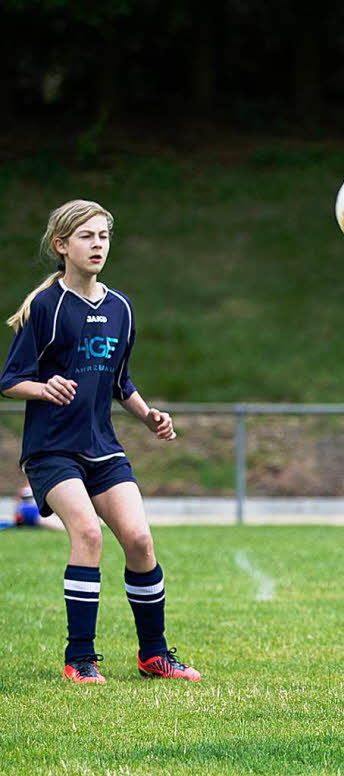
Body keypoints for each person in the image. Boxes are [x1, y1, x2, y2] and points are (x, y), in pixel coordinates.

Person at [0, 200, 201, 684]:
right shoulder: (45, 307)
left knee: (139, 539)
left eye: (103, 237)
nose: (97, 245)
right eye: (86, 237)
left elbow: (120, 382)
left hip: (102, 447)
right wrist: (43, 388)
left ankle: (154, 656)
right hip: (51, 450)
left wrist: (148, 414)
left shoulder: (120, 308)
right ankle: (79, 659)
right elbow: (9, 379)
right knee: (87, 534)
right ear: (61, 246)